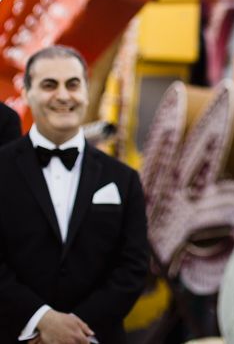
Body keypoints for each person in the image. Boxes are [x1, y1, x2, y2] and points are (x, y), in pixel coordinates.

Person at [0, 45, 149, 344]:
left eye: (73, 84)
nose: (63, 96)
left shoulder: (124, 179)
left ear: (86, 90)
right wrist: (40, 319)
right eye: (48, 85)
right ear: (28, 93)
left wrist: (75, 331)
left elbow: (133, 268)